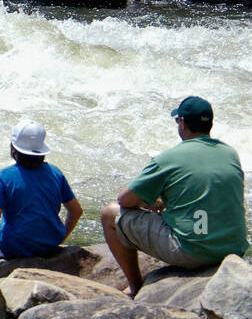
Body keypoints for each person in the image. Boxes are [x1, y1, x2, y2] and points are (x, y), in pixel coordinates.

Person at [101, 96, 248, 297]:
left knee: (110, 213)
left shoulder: (168, 158)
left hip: (193, 252)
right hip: (232, 249)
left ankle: (136, 288)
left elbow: (124, 200)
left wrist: (150, 201)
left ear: (183, 123)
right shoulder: (230, 153)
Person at [0, 120, 82, 267]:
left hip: (13, 248)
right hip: (50, 246)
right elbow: (76, 211)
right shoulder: (56, 173)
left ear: (13, 149)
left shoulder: (3, 177)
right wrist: (58, 238)